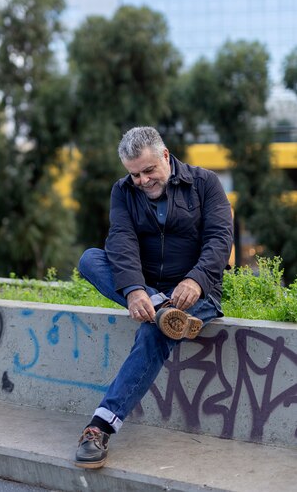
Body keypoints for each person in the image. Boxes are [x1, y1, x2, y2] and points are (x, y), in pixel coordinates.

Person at [74, 126, 233, 469]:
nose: (143, 181)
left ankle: (100, 426)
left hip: (196, 294)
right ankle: (160, 308)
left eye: (148, 171)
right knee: (90, 258)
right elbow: (120, 239)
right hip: (148, 287)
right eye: (135, 174)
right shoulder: (123, 191)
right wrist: (133, 289)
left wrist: (198, 279)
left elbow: (221, 238)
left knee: (154, 331)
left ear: (166, 156)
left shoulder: (204, 183)